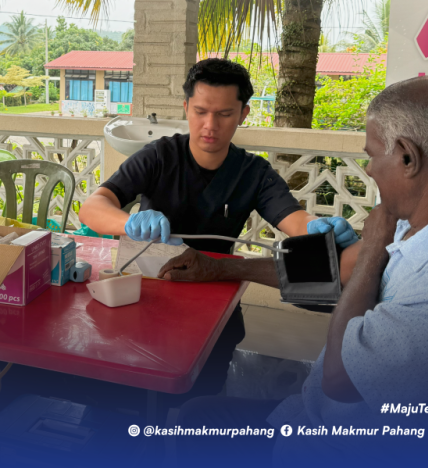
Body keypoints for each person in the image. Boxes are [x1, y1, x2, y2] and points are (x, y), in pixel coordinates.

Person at [160, 76, 428, 465]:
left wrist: (373, 250)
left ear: (407, 158)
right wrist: (221, 269)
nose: (370, 170)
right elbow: (338, 272)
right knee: (201, 415)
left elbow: (340, 380)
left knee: (197, 423)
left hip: (347, 445)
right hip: (353, 422)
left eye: (372, 155)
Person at [79, 58, 357, 398]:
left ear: (243, 114)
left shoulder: (253, 173)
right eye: (200, 111)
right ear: (186, 108)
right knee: (127, 387)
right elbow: (92, 208)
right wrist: (129, 222)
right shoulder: (160, 156)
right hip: (148, 288)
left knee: (203, 390)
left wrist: (318, 227)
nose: (210, 125)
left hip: (213, 291)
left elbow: (293, 219)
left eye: (225, 114)